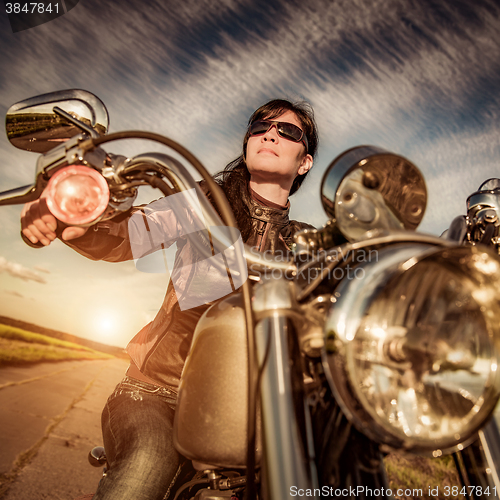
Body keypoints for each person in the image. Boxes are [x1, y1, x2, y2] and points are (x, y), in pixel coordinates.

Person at [20, 99, 319, 499]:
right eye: (260, 125)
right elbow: (133, 232)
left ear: (305, 162)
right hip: (154, 392)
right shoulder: (204, 204)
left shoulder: (310, 245)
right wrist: (70, 219)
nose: (270, 133)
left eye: (288, 131)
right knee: (149, 462)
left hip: (245, 415)